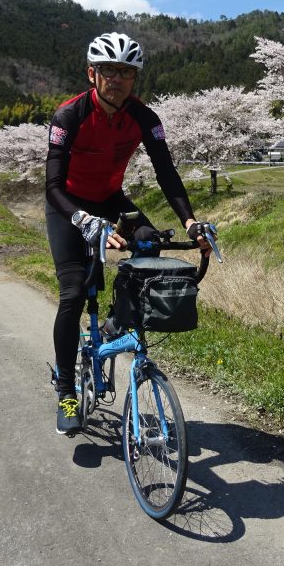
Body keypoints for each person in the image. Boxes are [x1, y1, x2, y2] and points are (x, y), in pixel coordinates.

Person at [45, 32, 213, 435]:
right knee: (71, 294)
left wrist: (191, 221)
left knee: (150, 245)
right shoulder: (69, 116)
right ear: (92, 74)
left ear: (134, 78)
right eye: (107, 71)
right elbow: (51, 186)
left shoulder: (144, 118)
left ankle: (114, 324)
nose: (116, 79)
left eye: (125, 72)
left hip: (112, 199)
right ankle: (67, 390)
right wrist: (84, 221)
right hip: (68, 206)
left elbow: (166, 172)